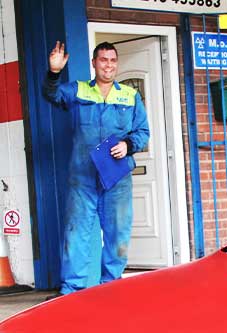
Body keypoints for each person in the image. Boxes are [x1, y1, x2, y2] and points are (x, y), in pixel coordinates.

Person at [42, 41, 150, 298]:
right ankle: (71, 292)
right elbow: (51, 94)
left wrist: (127, 144)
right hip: (83, 177)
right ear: (94, 63)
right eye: (103, 60)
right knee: (77, 232)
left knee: (117, 233)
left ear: (117, 63)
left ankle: (111, 289)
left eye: (112, 60)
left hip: (116, 178)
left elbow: (143, 132)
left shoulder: (129, 95)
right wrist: (54, 72)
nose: (108, 65)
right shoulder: (79, 91)